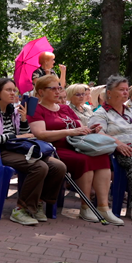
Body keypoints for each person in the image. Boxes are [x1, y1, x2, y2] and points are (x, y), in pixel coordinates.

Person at [27, 75, 118, 224]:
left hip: (76, 144)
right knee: (84, 160)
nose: (58, 91)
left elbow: (78, 128)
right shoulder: (36, 109)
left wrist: (90, 130)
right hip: (54, 148)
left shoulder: (65, 108)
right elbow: (40, 134)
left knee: (102, 157)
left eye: (59, 88)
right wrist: (69, 132)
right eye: (53, 88)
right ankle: (86, 206)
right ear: (41, 92)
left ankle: (103, 207)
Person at [0, 78, 66, 225]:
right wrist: (16, 136)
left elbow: (25, 136)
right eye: (9, 90)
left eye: (14, 90)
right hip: (0, 152)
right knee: (39, 167)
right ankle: (21, 209)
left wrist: (24, 120)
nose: (13, 93)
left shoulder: (14, 111)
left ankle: (37, 203)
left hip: (18, 149)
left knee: (58, 166)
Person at [89, 76, 132, 224]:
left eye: (126, 90)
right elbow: (97, 131)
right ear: (109, 93)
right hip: (123, 152)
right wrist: (118, 143)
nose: (125, 93)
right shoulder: (101, 113)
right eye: (121, 89)